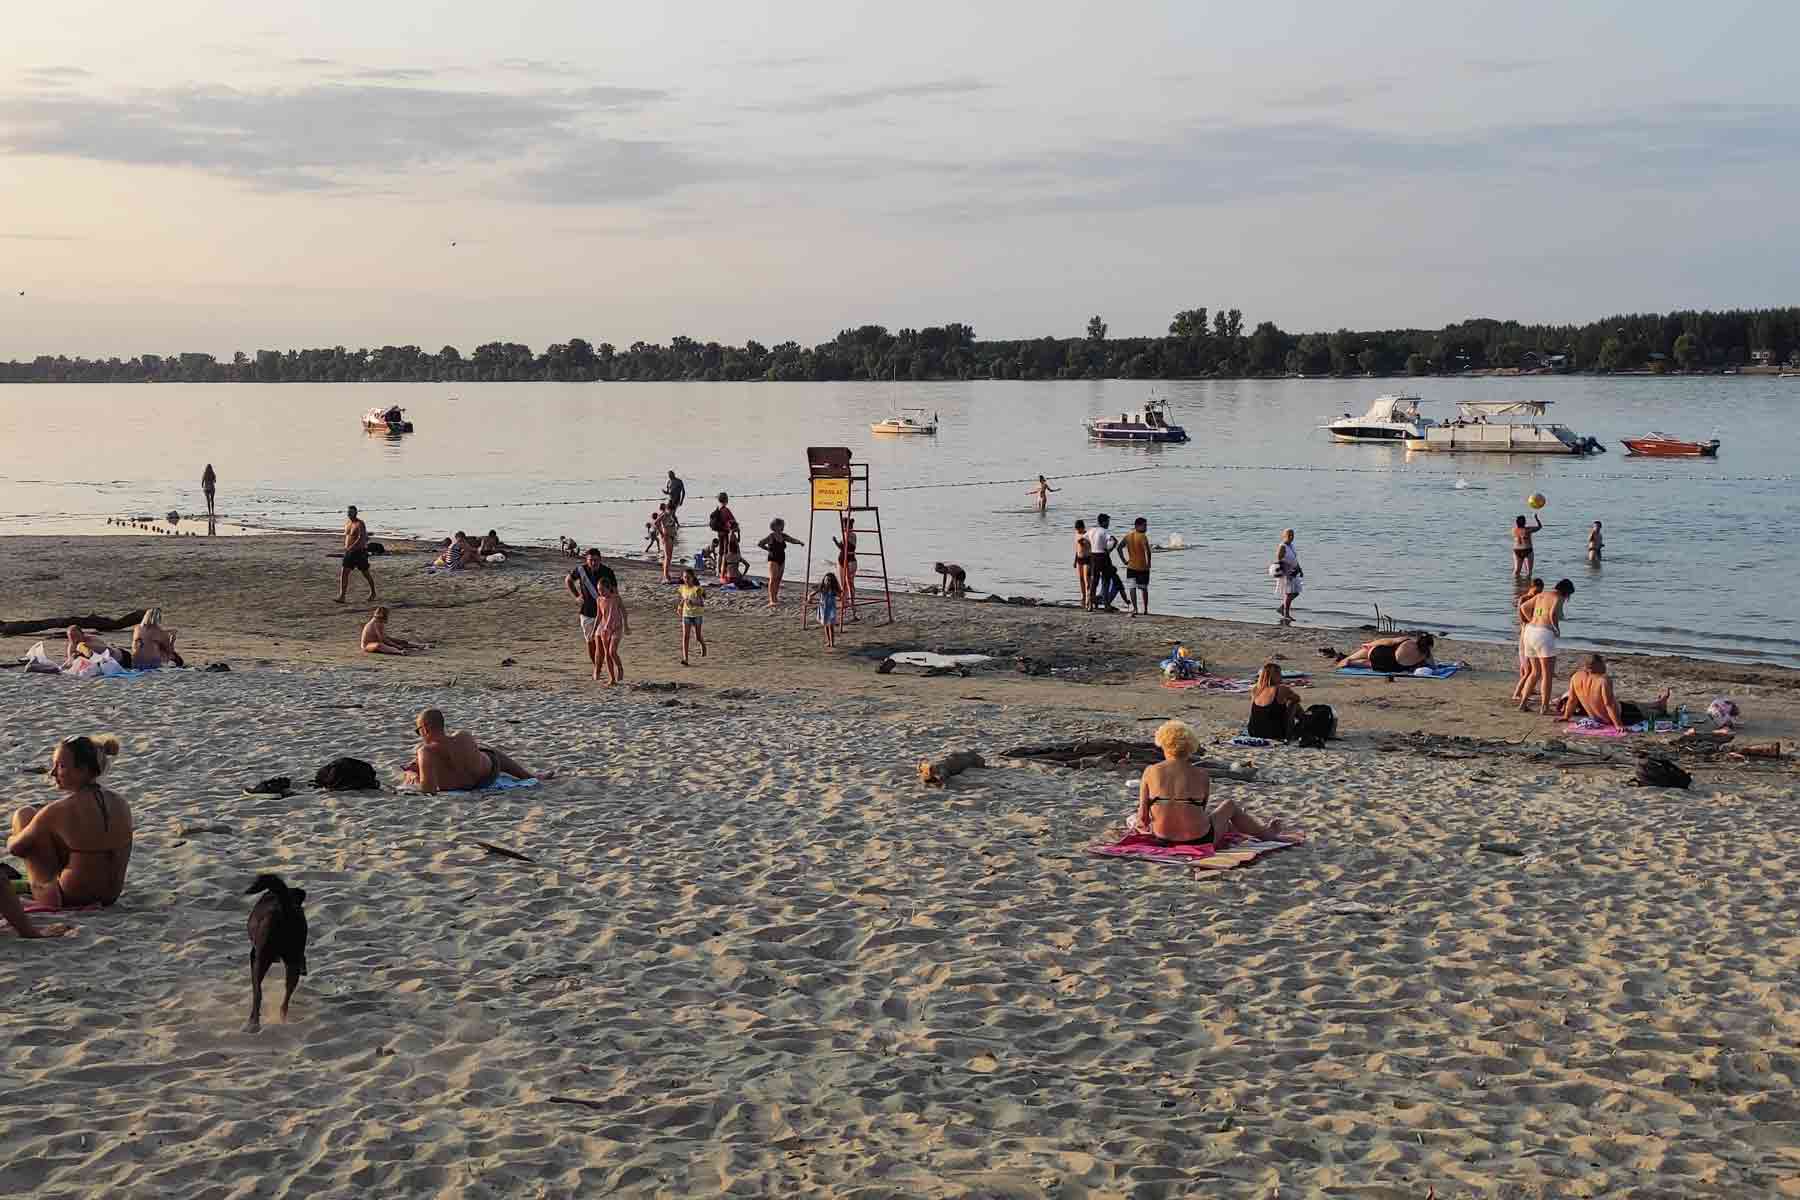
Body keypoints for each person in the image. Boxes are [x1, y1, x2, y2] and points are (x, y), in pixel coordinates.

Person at [8, 735, 132, 909]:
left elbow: (16, 849)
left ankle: (46, 894)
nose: (52, 773)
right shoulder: (121, 802)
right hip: (111, 896)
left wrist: (11, 838)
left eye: (61, 766)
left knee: (23, 815)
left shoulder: (58, 810)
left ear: (82, 770)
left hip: (72, 896)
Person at [1133, 720, 1286, 846]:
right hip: (1200, 839)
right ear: (1190, 747)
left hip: (1162, 838)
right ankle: (1265, 833)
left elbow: (1143, 817)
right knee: (1229, 805)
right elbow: (1201, 810)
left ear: (1162, 744)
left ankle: (1242, 829)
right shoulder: (1201, 774)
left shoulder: (1150, 771)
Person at [405, 709, 539, 794]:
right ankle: (528, 776)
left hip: (459, 785)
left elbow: (428, 790)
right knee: (488, 751)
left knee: (484, 750)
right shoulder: (463, 736)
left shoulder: (425, 751)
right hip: (487, 777)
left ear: (425, 729)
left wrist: (414, 776)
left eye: (418, 731)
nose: (420, 735)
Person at [1557, 654, 1671, 730]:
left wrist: (1566, 717)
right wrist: (1618, 725)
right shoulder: (1603, 680)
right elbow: (1609, 704)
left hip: (1596, 717)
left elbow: (1572, 700)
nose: (1605, 666)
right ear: (1598, 665)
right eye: (1603, 663)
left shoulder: (1576, 677)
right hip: (1619, 716)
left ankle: (1657, 703)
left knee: (1630, 703)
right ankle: (1660, 708)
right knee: (1648, 713)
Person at [1519, 579, 1574, 714]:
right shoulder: (1558, 597)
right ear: (1566, 592)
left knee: (1534, 672)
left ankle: (1523, 703)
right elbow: (1552, 614)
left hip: (1530, 632)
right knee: (1547, 674)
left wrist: (1531, 620)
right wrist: (1556, 629)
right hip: (1544, 634)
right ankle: (1544, 707)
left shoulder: (1542, 595)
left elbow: (1523, 607)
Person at [565, 548, 616, 672]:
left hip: (604, 613)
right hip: (587, 612)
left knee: (604, 642)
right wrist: (577, 596)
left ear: (600, 560)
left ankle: (601, 668)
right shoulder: (580, 570)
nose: (593, 563)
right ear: (586, 560)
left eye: (596, 560)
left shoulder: (608, 571)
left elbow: (615, 592)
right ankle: (597, 667)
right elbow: (568, 580)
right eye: (591, 560)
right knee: (591, 641)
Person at [592, 555, 630, 685]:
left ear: (609, 588)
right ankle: (612, 679)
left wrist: (626, 626)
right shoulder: (599, 600)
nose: (601, 592)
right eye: (599, 590)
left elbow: (624, 612)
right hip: (605, 629)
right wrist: (594, 630)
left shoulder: (616, 598)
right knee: (607, 654)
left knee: (612, 651)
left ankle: (620, 668)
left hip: (617, 628)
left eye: (603, 590)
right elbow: (599, 616)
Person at [1246, 663, 1305, 741]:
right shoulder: (1281, 689)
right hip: (1275, 733)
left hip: (1254, 732)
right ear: (1274, 676)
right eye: (1279, 673)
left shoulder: (1256, 690)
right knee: (1294, 705)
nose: (1281, 676)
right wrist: (1286, 700)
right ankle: (1305, 722)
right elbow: (1297, 698)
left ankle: (1305, 722)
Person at [1510, 578, 1544, 703]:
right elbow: (1522, 618)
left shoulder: (1539, 600)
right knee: (1528, 668)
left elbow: (1540, 615)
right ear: (1531, 587)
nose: (1537, 594)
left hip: (1533, 633)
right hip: (1526, 634)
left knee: (1526, 667)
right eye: (1536, 591)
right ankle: (1518, 693)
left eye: (1540, 592)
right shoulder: (1524, 599)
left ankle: (1528, 688)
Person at [758, 518, 803, 606]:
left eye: (782, 525)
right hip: (773, 559)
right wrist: (768, 549)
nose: (783, 526)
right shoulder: (771, 536)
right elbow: (760, 543)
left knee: (778, 579)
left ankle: (775, 597)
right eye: (781, 525)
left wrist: (799, 542)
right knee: (773, 578)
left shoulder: (783, 535)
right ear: (775, 526)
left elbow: (791, 540)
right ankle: (771, 600)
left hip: (782, 559)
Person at [337, 505, 376, 603]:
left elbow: (361, 537)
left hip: (359, 553)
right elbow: (348, 537)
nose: (349, 514)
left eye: (351, 512)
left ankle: (373, 592)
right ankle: (342, 596)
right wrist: (347, 547)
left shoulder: (360, 523)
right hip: (349, 552)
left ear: (356, 513)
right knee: (344, 573)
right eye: (348, 512)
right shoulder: (348, 523)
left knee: (365, 573)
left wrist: (352, 547)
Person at [1336, 634, 1436, 672]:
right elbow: (1433, 666)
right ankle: (1353, 662)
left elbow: (1386, 641)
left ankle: (1348, 659)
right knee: (1371, 664)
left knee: (1371, 650)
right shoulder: (1426, 655)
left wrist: (1369, 644)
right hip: (1388, 668)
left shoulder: (1407, 641)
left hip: (1380, 655)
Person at [1119, 516, 1153, 616]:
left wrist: (1124, 560)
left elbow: (1119, 548)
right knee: (1144, 588)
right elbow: (1148, 551)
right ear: (1137, 526)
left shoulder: (1128, 536)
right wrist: (1149, 563)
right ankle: (1145, 609)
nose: (1146, 527)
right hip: (1142, 567)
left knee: (1132, 588)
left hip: (1131, 567)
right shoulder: (1143, 536)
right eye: (1144, 525)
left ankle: (1135, 609)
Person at [1089, 514, 1121, 611]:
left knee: (1094, 581)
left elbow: (1082, 540)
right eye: (1108, 522)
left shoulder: (1091, 530)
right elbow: (1115, 540)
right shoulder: (1104, 531)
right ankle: (1106, 605)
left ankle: (1090, 604)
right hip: (1103, 556)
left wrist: (1091, 547)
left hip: (1093, 556)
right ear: (1103, 522)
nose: (1108, 524)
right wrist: (1109, 550)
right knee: (1106, 580)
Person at [677, 567, 708, 666]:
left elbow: (701, 603)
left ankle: (703, 645)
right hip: (686, 615)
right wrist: (680, 606)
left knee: (697, 637)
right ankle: (685, 659)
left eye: (688, 577)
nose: (686, 579)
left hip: (697, 615)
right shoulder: (682, 588)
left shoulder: (697, 589)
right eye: (685, 577)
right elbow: (683, 599)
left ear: (693, 578)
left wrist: (693, 602)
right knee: (685, 636)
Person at [63, 624, 129, 670]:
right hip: (106, 664)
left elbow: (107, 649)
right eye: (71, 637)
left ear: (83, 634)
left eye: (77, 635)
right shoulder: (71, 646)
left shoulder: (92, 639)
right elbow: (70, 662)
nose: (75, 639)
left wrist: (86, 646)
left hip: (123, 658)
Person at [709, 493, 740, 581]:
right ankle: (723, 571)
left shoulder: (718, 509)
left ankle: (718, 570)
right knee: (726, 553)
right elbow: (733, 521)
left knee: (720, 552)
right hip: (726, 532)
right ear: (726, 500)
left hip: (720, 532)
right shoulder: (726, 510)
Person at [1273, 528, 1302, 622]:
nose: (1291, 537)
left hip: (1294, 571)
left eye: (1292, 535)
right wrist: (1286, 573)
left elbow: (1295, 559)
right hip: (1286, 572)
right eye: (1289, 535)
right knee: (1289, 593)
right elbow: (1279, 560)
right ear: (1284, 536)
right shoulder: (1282, 546)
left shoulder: (1291, 546)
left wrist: (1300, 569)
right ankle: (1286, 614)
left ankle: (1282, 608)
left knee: (1296, 592)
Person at [834, 517, 858, 617]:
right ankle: (845, 602)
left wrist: (838, 541)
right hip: (842, 561)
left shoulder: (852, 534)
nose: (843, 528)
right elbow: (841, 547)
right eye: (843, 525)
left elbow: (847, 546)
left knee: (850, 583)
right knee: (843, 584)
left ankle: (852, 604)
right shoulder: (845, 534)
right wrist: (836, 542)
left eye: (844, 525)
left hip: (850, 561)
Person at [1512, 513, 1544, 578]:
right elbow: (1540, 527)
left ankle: (1517, 584)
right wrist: (1536, 518)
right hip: (1526, 550)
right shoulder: (1528, 529)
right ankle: (1526, 583)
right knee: (1528, 572)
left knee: (1517, 571)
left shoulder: (1514, 530)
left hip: (1518, 550)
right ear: (1524, 522)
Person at [817, 571, 841, 648]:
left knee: (831, 626)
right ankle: (828, 641)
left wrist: (841, 597)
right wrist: (809, 597)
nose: (827, 582)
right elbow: (812, 594)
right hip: (823, 609)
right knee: (826, 625)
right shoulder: (822, 588)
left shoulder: (833, 590)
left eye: (829, 580)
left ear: (832, 582)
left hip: (831, 609)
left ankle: (832, 643)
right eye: (826, 580)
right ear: (824, 580)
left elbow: (840, 596)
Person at [655, 506, 679, 583]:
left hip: (671, 536)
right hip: (667, 537)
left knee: (669, 557)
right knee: (667, 557)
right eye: (671, 510)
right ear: (667, 509)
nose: (672, 512)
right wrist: (662, 534)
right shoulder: (664, 514)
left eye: (673, 510)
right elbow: (656, 523)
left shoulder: (671, 515)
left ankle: (666, 573)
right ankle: (666, 575)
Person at [1073, 519, 1092, 611]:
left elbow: (1090, 547)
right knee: (1081, 579)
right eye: (1076, 529)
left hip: (1087, 558)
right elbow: (1077, 549)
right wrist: (1075, 560)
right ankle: (1083, 596)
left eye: (1078, 529)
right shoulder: (1076, 534)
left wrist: (1083, 543)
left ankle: (1088, 598)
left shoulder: (1087, 535)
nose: (1077, 531)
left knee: (1086, 580)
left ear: (1082, 527)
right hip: (1079, 559)